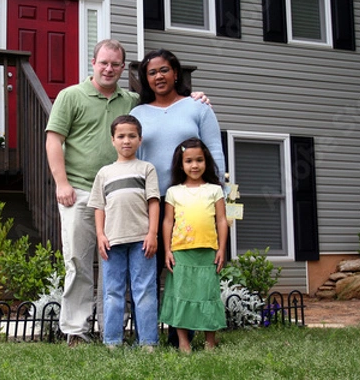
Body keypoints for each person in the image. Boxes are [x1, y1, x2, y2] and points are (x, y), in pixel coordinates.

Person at [45, 40, 209, 346]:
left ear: (123, 68)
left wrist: (194, 98)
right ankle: (76, 331)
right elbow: (54, 140)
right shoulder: (70, 96)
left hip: (126, 197)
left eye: (115, 64)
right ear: (93, 63)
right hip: (80, 190)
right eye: (103, 63)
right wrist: (61, 183)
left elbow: (165, 107)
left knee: (114, 267)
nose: (109, 69)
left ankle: (113, 332)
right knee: (79, 262)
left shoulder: (131, 101)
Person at [129, 49, 225, 346]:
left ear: (175, 73)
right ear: (145, 79)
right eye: (152, 72)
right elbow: (134, 157)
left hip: (192, 205)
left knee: (186, 273)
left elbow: (214, 152)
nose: (159, 76)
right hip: (151, 206)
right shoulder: (138, 114)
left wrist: (218, 194)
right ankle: (146, 337)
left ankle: (180, 336)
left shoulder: (198, 108)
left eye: (164, 70)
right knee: (148, 274)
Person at [87, 115, 160, 349]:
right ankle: (112, 341)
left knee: (145, 291)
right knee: (112, 292)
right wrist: (100, 235)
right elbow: (99, 206)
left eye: (131, 136)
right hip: (112, 242)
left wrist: (152, 234)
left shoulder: (146, 169)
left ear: (140, 139)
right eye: (121, 136)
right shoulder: (105, 173)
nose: (126, 141)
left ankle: (148, 341)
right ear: (112, 140)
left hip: (142, 241)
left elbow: (154, 202)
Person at [159, 137, 228, 353]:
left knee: (208, 295)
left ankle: (210, 342)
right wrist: (168, 250)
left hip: (208, 251)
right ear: (181, 164)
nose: (195, 165)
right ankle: (183, 342)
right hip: (181, 252)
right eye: (189, 161)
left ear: (206, 162)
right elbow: (168, 221)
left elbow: (221, 220)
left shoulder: (215, 190)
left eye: (199, 160)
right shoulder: (173, 192)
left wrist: (222, 249)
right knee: (181, 296)